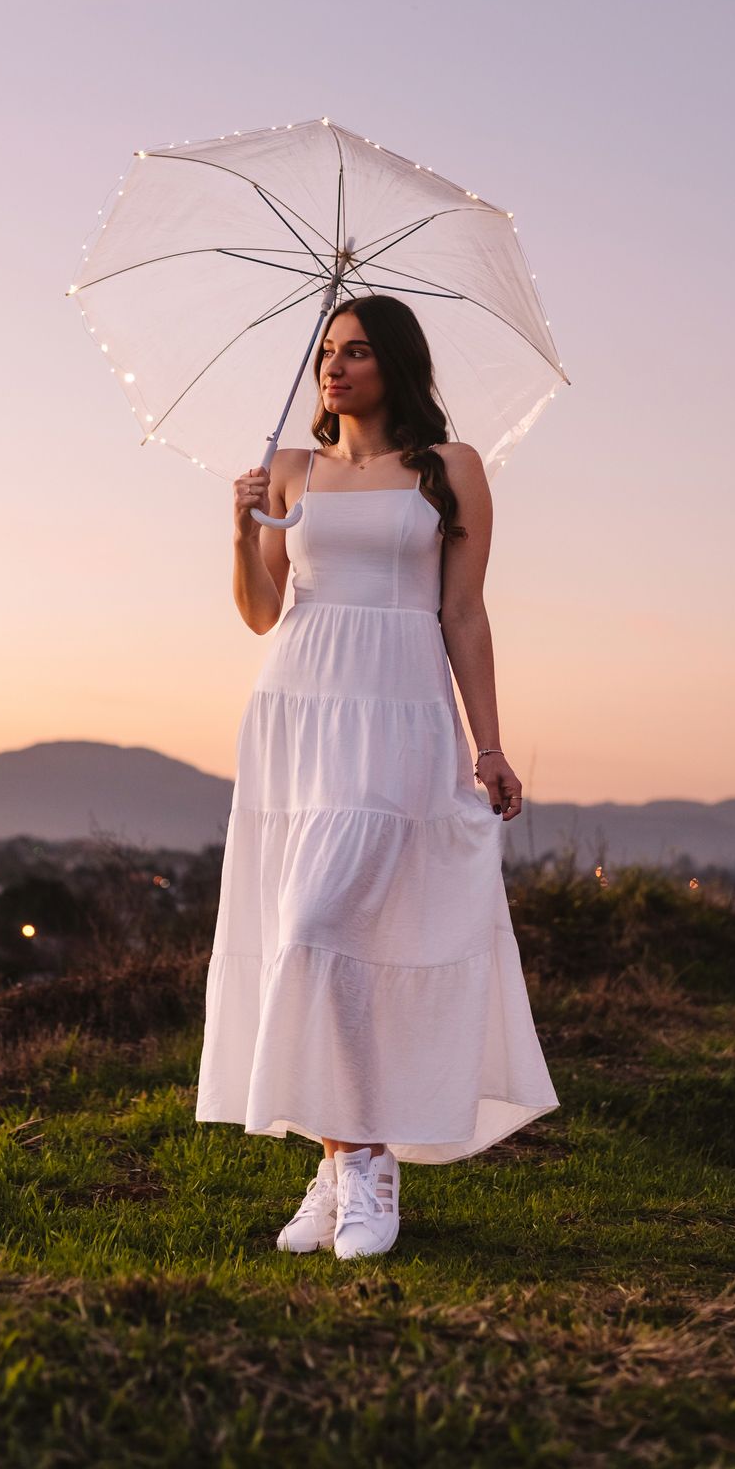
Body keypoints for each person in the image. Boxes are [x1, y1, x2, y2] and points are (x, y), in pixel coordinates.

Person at [195, 294, 557, 1260]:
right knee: (303, 937)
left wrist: (488, 744)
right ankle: (346, 1158)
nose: (335, 367)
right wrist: (241, 534)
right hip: (299, 711)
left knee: (345, 926)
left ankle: (361, 1162)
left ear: (395, 366)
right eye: (326, 352)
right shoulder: (290, 469)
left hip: (400, 712)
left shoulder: (451, 470)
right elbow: (262, 614)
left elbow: (467, 616)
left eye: (355, 352)